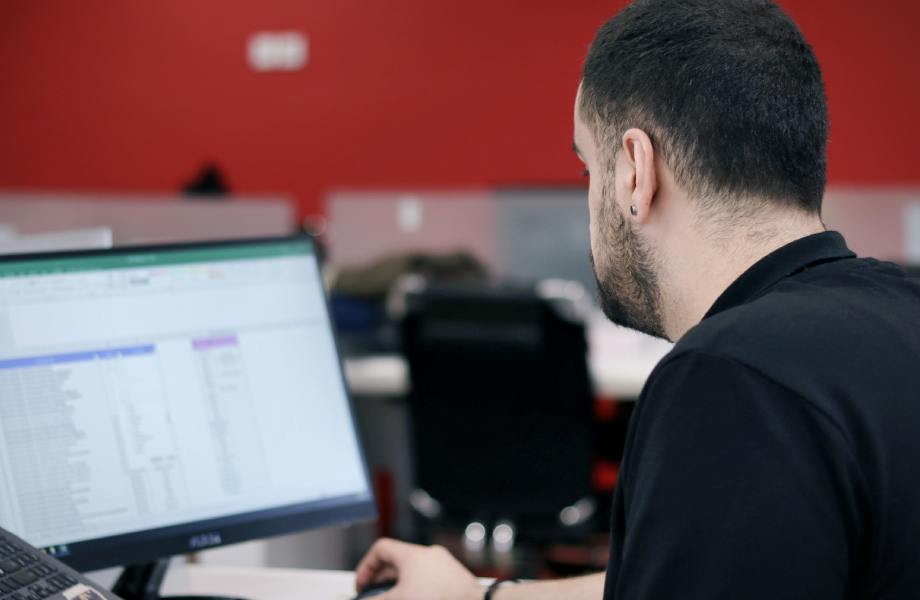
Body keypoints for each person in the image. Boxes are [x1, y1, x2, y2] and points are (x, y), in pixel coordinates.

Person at [354, 0, 920, 598]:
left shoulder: (732, 377)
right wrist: (486, 596)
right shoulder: (898, 311)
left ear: (633, 171)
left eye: (587, 171)